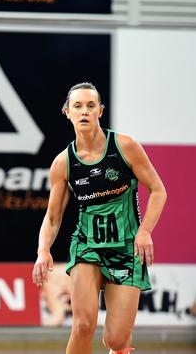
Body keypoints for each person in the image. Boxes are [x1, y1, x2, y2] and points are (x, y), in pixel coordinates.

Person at [32, 82, 167, 354]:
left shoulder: (125, 146)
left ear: (100, 111)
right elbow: (53, 217)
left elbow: (158, 190)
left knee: (116, 341)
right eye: (77, 106)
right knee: (82, 326)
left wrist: (145, 231)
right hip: (87, 248)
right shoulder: (63, 163)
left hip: (126, 249)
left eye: (90, 106)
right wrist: (43, 250)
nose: (84, 112)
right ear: (67, 112)